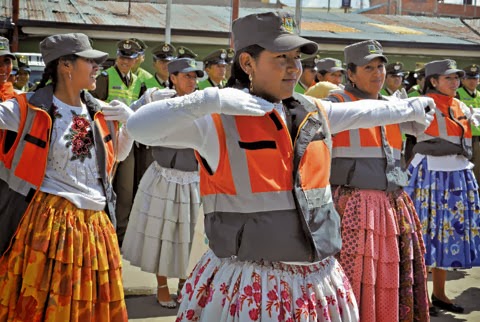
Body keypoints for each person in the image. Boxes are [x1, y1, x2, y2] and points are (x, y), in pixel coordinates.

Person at [126, 12, 435, 321]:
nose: (293, 67)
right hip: (251, 285)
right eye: (280, 57)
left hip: (317, 281)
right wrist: (210, 100)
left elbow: (364, 111)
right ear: (247, 63)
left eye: (296, 57)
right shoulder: (217, 120)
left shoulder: (314, 111)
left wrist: (407, 107)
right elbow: (139, 127)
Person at [0, 32, 133, 321]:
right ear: (65, 65)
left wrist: (130, 123)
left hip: (96, 227)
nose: (98, 67)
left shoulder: (97, 111)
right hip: (51, 226)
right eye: (90, 61)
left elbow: (115, 158)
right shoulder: (27, 109)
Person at [325, 40, 429, 321]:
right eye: (368, 67)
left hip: (393, 204)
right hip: (354, 205)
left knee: (390, 276)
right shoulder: (337, 102)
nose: (378, 73)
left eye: (380, 66)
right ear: (351, 73)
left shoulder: (396, 106)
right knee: (354, 277)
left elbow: (424, 129)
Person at [122, 58, 204, 309]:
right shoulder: (156, 100)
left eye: (195, 77)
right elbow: (131, 117)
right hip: (163, 177)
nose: (192, 81)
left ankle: (184, 283)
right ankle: (161, 285)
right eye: (187, 76)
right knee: (162, 234)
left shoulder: (205, 102)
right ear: (174, 77)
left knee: (190, 236)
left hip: (194, 179)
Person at [405, 59, 480, 315]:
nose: (455, 82)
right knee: (425, 235)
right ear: (433, 81)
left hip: (457, 173)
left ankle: (439, 294)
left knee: (447, 237)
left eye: (456, 77)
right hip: (429, 174)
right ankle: (419, 296)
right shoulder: (421, 105)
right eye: (448, 78)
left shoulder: (461, 105)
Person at [90, 38, 145, 105]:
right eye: (122, 57)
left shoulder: (138, 82)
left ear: (135, 60)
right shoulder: (105, 77)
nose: (125, 61)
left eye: (129, 58)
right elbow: (93, 102)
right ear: (117, 56)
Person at [457, 64, 480, 181]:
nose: (472, 81)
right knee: (464, 167)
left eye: (475, 78)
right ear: (463, 80)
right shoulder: (457, 94)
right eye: (469, 78)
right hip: (464, 137)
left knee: (478, 169)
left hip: (478, 138)